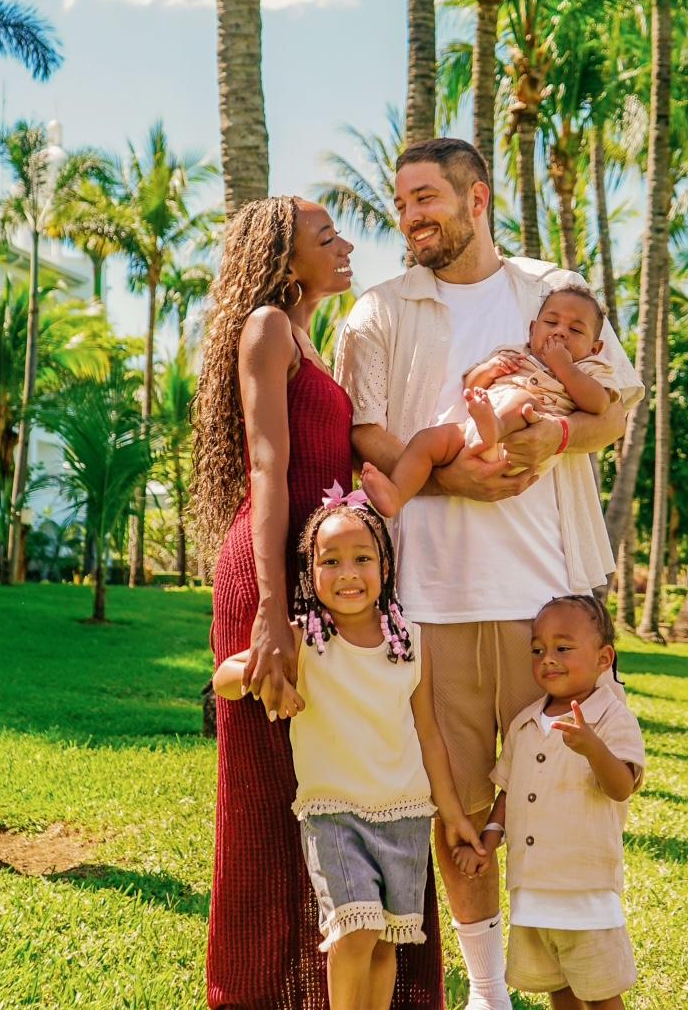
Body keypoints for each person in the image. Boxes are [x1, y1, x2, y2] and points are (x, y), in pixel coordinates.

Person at [336, 138, 644, 1009]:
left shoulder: (553, 295)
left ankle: (573, 988)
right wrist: (450, 478)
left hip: (549, 604)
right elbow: (363, 433)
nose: (411, 216)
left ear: (477, 200)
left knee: (565, 802)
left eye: (427, 197)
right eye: (402, 203)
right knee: (459, 807)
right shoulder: (378, 311)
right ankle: (487, 993)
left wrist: (554, 437)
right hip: (431, 598)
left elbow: (614, 413)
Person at [193, 196, 443, 1010]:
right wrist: (271, 610)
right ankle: (259, 994)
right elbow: (269, 468)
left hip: (320, 580)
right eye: (325, 236)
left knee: (339, 781)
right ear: (282, 256)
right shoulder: (267, 326)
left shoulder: (309, 342)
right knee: (269, 803)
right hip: (273, 579)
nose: (345, 246)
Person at [215, 495, 485, 1009]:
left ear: (385, 565)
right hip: (334, 814)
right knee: (354, 932)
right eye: (331, 561)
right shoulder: (306, 641)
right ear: (310, 572)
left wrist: (451, 814)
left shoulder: (410, 642)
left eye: (362, 558)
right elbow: (225, 678)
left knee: (384, 944)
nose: (348, 573)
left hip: (405, 814)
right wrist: (266, 674)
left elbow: (428, 733)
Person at [452, 596, 645, 1010]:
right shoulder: (524, 723)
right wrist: (488, 838)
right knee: (558, 988)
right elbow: (510, 791)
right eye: (538, 650)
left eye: (563, 647)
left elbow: (621, 787)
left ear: (604, 658)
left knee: (601, 993)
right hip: (532, 890)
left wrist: (593, 748)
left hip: (585, 891)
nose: (548, 659)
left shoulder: (611, 718)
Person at [361, 285, 619, 518]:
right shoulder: (513, 353)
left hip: (524, 441)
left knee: (522, 400)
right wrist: (489, 369)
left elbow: (598, 404)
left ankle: (495, 427)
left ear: (594, 349)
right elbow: (471, 386)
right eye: (551, 322)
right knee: (426, 440)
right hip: (474, 432)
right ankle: (397, 494)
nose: (560, 332)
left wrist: (564, 367)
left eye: (575, 330)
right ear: (532, 330)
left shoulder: (590, 368)